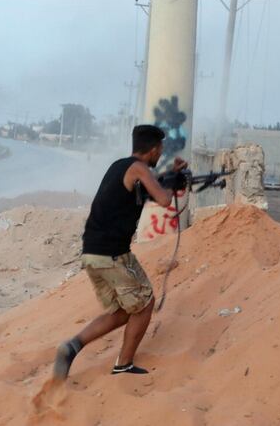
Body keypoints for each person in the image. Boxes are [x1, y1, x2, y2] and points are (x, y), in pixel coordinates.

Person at [52, 124, 187, 379]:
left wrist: (171, 175)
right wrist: (176, 182)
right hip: (111, 254)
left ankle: (71, 347)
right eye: (160, 150)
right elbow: (164, 199)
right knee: (145, 304)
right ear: (154, 149)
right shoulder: (139, 168)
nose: (160, 155)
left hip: (94, 252)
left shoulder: (120, 166)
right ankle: (123, 364)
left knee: (122, 311)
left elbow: (147, 188)